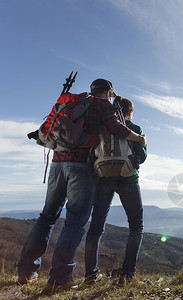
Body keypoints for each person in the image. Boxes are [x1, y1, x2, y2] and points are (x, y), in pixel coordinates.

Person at [17, 79, 146, 294]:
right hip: (81, 167)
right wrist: (139, 140)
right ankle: (59, 278)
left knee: (47, 216)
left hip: (57, 164)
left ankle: (26, 272)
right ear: (109, 92)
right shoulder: (102, 104)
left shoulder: (72, 102)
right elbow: (118, 129)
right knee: (75, 221)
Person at [84, 97, 147, 286]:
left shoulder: (103, 126)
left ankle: (90, 276)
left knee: (96, 228)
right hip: (128, 178)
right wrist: (142, 144)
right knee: (136, 227)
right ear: (129, 112)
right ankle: (127, 276)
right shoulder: (134, 128)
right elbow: (141, 158)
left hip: (103, 178)